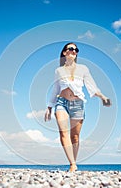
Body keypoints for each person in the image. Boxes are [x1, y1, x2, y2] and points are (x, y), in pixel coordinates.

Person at [44, 42, 110, 172]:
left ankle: (74, 161)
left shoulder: (83, 68)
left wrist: (103, 97)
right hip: (61, 102)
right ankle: (72, 164)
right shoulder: (58, 70)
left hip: (78, 104)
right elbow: (55, 89)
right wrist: (49, 107)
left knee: (75, 136)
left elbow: (92, 85)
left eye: (76, 49)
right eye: (71, 49)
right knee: (63, 132)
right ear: (64, 52)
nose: (74, 51)